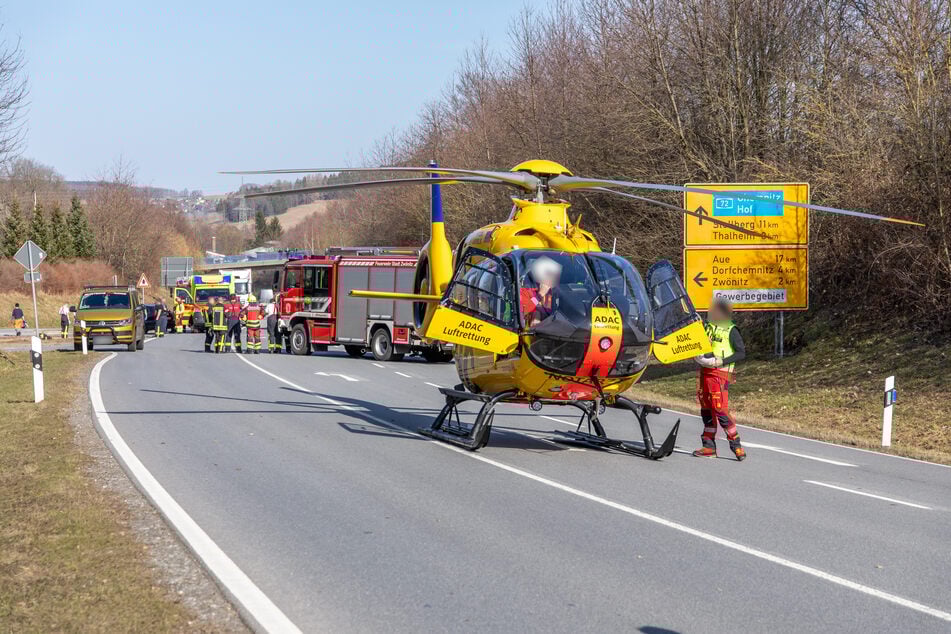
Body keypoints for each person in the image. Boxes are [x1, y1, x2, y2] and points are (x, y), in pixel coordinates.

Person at [693, 297, 746, 461]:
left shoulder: (731, 330)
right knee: (706, 409)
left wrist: (721, 361)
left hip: (721, 374)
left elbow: (741, 353)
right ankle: (708, 446)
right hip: (705, 372)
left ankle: (736, 445)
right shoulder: (707, 327)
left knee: (720, 409)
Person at [520, 256, 561, 327]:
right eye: (548, 274)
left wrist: (539, 314)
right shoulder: (526, 290)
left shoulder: (558, 292)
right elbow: (523, 311)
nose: (551, 278)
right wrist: (540, 294)